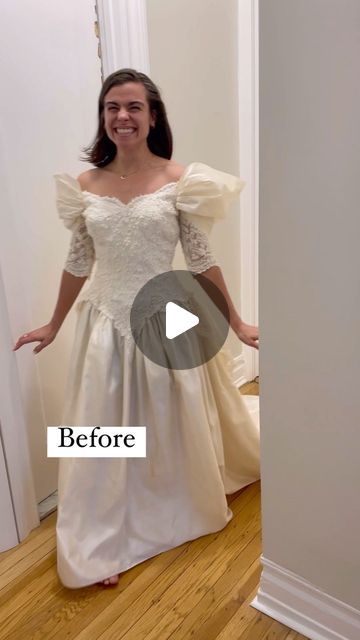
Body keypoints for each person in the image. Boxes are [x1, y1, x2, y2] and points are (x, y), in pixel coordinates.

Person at [13, 68, 260, 589]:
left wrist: (235, 321)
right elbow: (79, 261)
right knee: (97, 427)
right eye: (112, 108)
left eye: (133, 107)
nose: (121, 117)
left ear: (152, 117)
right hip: (103, 319)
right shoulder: (84, 185)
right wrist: (53, 324)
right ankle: (100, 528)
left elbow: (199, 258)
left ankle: (171, 501)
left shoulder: (182, 181)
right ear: (103, 117)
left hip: (167, 312)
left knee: (173, 415)